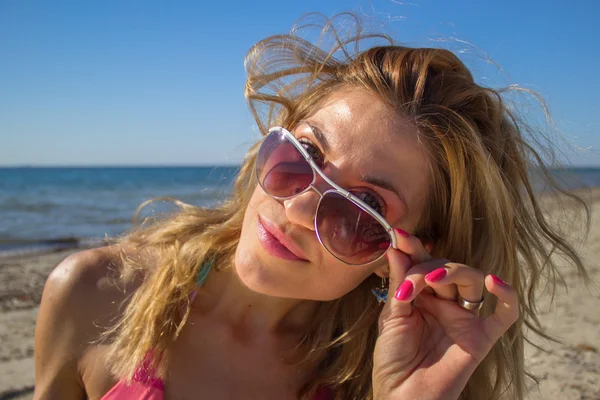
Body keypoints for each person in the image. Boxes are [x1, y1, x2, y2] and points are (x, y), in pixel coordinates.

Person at [33, 14, 588, 400]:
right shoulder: (93, 294)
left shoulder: (371, 377)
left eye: (360, 209)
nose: (297, 207)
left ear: (404, 255)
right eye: (304, 155)